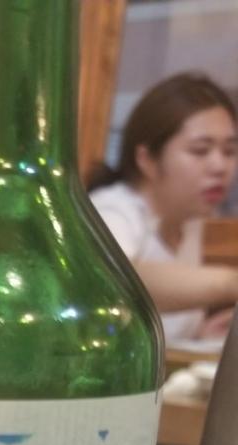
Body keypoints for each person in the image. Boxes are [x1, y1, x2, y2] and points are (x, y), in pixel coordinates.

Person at [88, 72, 238, 344]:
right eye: (200, 150)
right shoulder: (113, 211)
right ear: (147, 159)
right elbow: (109, 281)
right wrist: (228, 283)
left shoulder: (189, 221)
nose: (220, 166)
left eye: (229, 151)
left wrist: (201, 335)